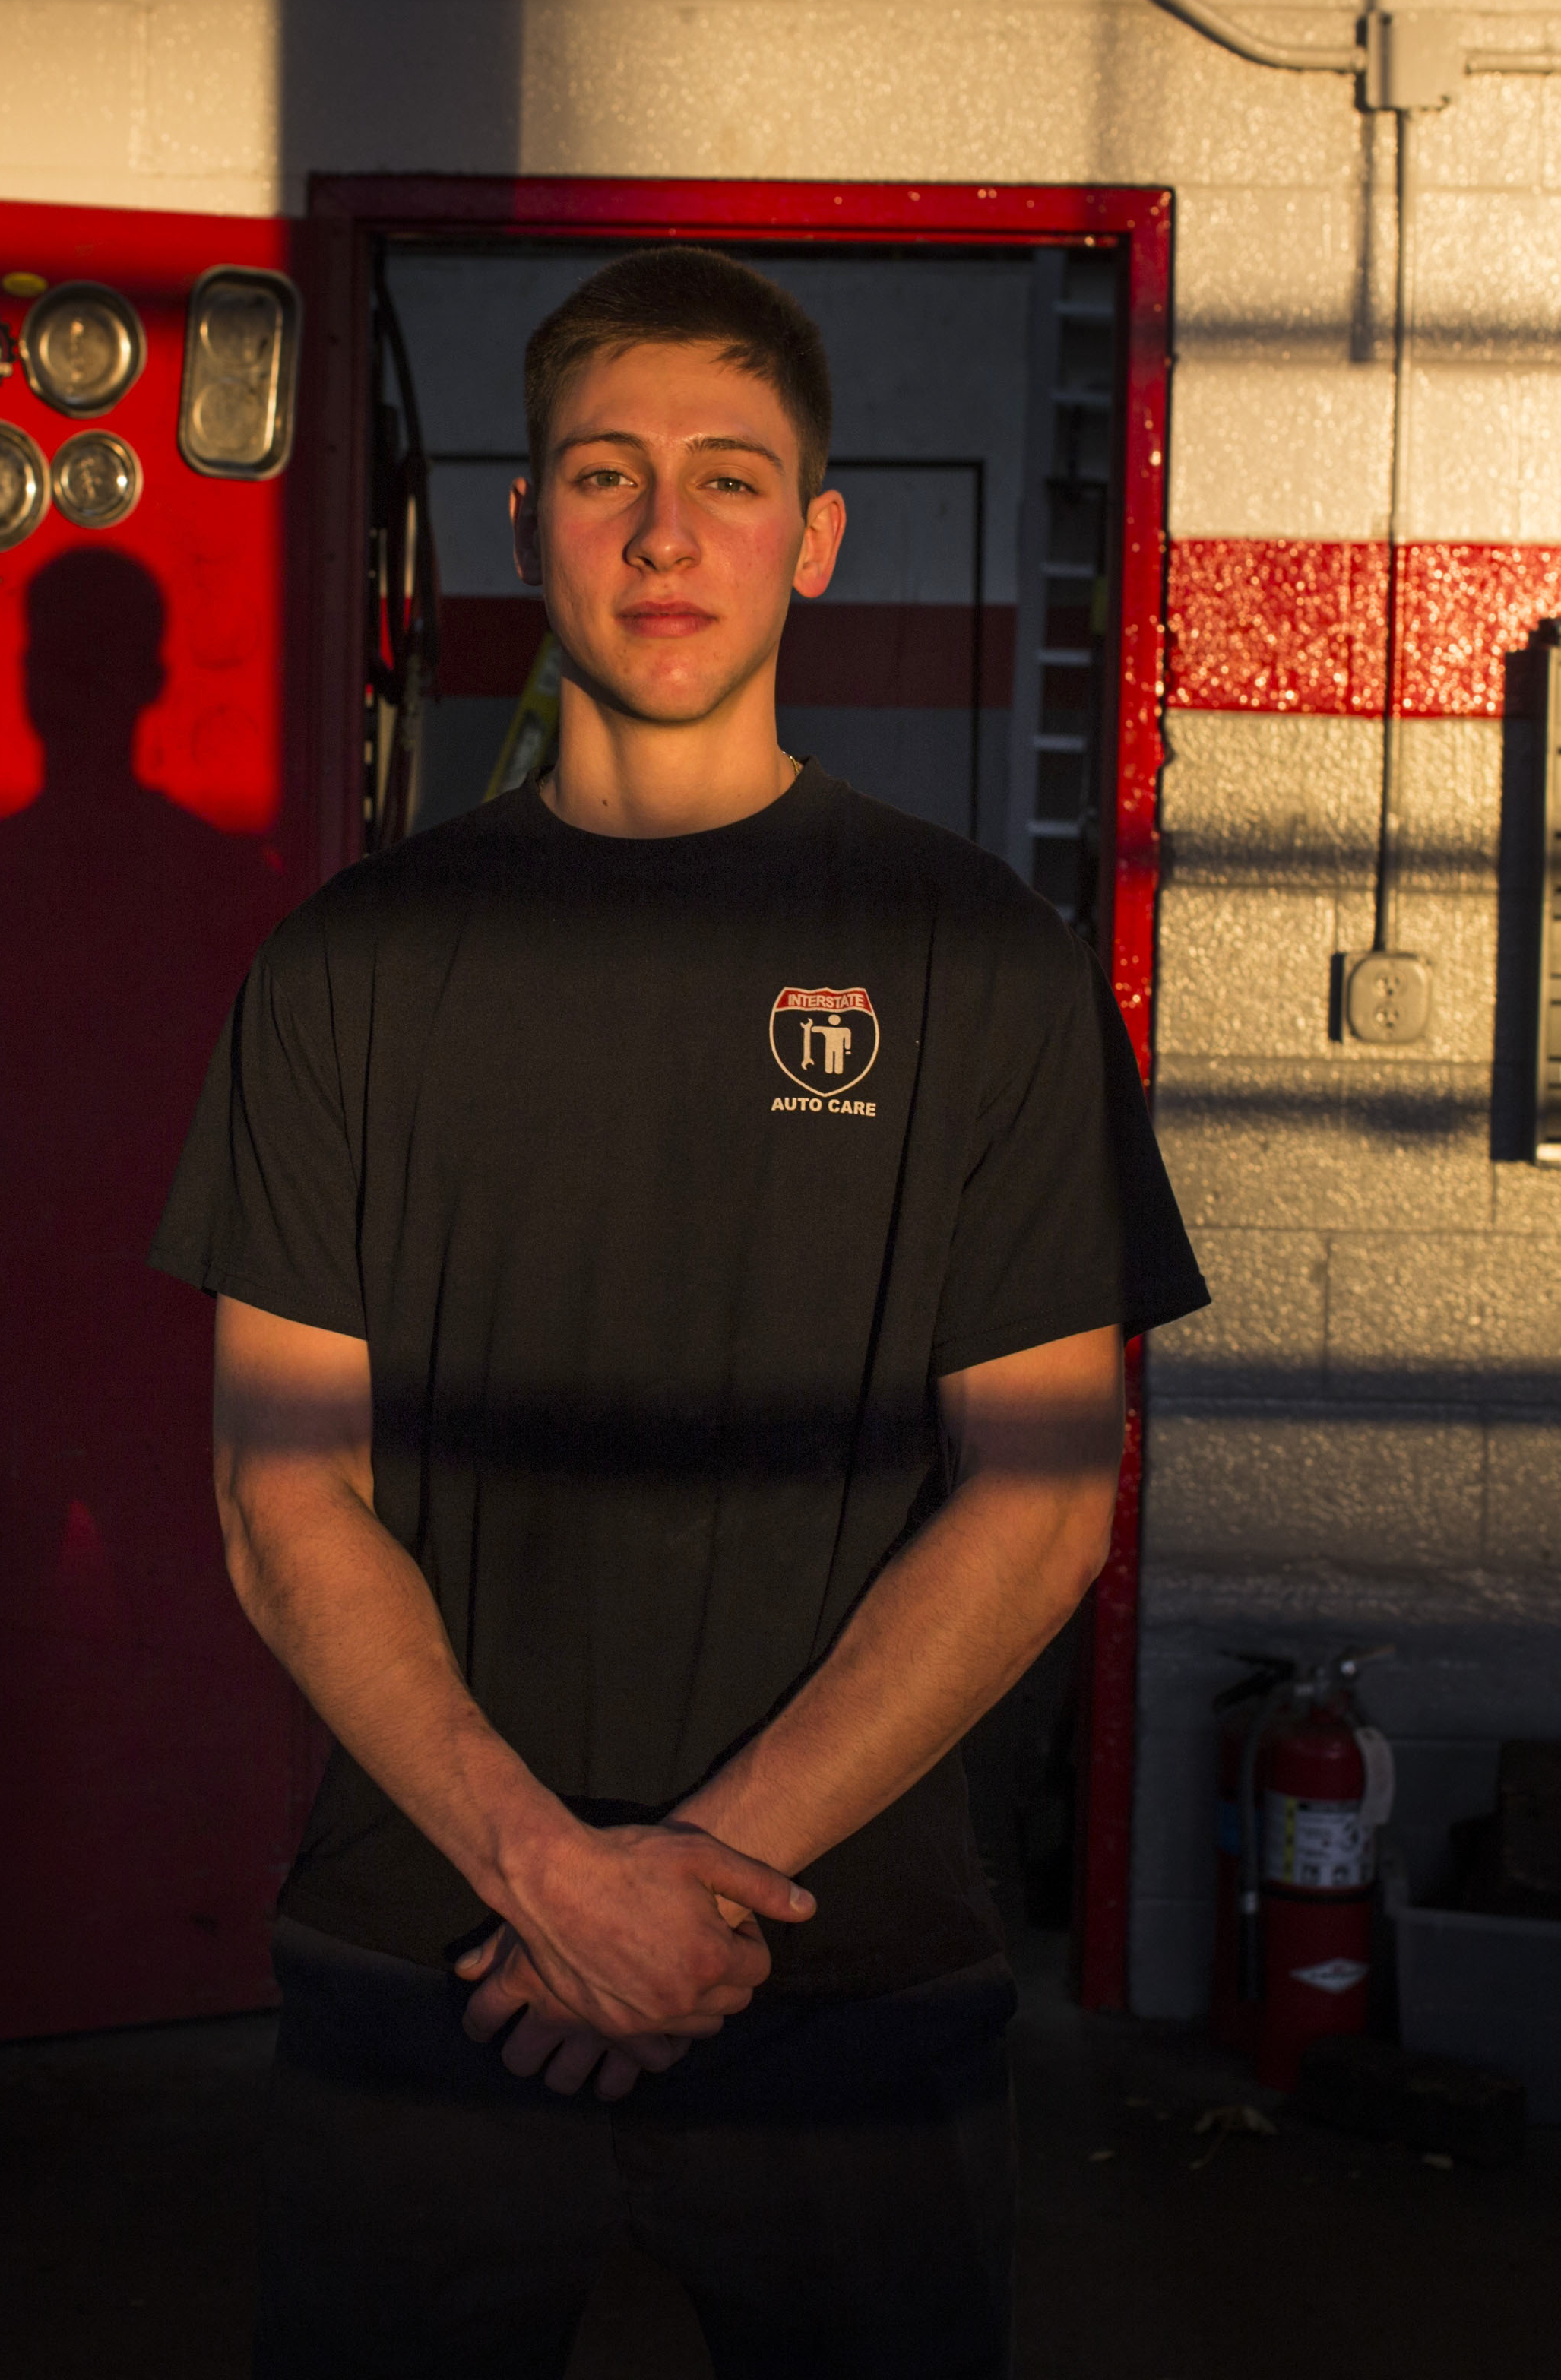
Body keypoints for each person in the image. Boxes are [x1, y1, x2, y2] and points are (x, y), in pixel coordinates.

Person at [153, 246, 1206, 2378]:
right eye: (605, 471)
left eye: (731, 477)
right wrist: (545, 1874)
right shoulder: (348, 972)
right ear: (528, 518)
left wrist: (691, 1882)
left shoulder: (982, 967)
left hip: (848, 1964)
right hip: (432, 1954)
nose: (664, 528)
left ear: (816, 540)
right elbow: (286, 1502)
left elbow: (1040, 1507)